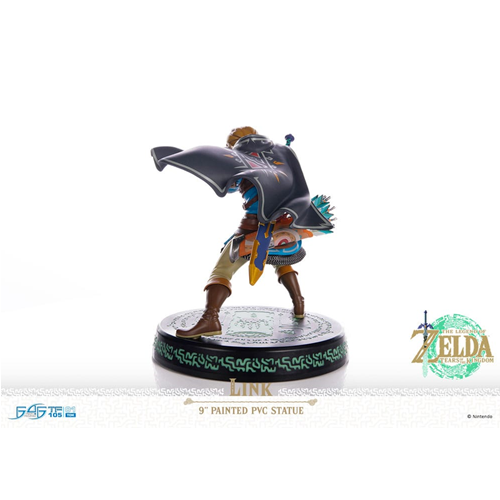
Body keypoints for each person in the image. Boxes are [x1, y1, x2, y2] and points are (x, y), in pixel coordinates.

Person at [151, 127, 334, 339]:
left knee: (223, 268)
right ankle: (299, 304)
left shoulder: (237, 159)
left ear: (232, 145)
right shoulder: (282, 154)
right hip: (283, 226)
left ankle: (211, 318)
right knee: (281, 261)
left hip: (254, 228)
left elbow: (229, 185)